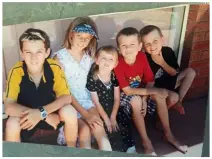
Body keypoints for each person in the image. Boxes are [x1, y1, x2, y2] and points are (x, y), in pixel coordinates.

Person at [114, 27, 188, 155]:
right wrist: (143, 98)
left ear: (139, 46)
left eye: (132, 45)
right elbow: (128, 91)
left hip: (142, 91)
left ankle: (168, 134)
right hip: (124, 95)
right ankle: (146, 142)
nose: (129, 49)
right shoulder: (118, 63)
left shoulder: (142, 57)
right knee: (137, 100)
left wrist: (145, 99)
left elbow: (149, 80)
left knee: (159, 95)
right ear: (119, 49)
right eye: (124, 45)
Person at [4, 28, 78, 147]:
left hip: (49, 112)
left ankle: (72, 150)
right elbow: (9, 107)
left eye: (39, 52)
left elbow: (66, 98)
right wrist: (44, 116)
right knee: (12, 123)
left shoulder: (54, 67)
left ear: (47, 52)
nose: (34, 57)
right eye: (28, 52)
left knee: (69, 111)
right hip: (27, 117)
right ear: (22, 53)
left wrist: (41, 113)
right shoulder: (16, 71)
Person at [51, 17, 112, 151]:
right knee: (84, 129)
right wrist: (86, 115)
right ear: (71, 34)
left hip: (87, 101)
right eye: (79, 36)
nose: (83, 41)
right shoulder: (59, 58)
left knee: (98, 127)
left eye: (87, 38)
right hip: (69, 102)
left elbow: (93, 84)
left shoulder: (89, 58)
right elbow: (63, 91)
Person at [140, 25, 196, 115]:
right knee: (174, 97)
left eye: (155, 41)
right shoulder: (144, 58)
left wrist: (161, 62)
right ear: (143, 47)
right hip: (155, 88)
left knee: (190, 72)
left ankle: (179, 102)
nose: (152, 46)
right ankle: (161, 117)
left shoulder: (167, 51)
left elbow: (174, 73)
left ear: (162, 39)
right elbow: (148, 84)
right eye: (147, 44)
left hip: (170, 82)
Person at [86, 45, 125, 151]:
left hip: (113, 108)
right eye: (103, 58)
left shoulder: (114, 76)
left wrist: (113, 117)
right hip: (99, 109)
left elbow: (117, 99)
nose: (107, 62)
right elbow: (96, 102)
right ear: (97, 60)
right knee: (106, 127)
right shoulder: (93, 78)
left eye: (111, 59)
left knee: (120, 125)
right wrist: (107, 119)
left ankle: (126, 147)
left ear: (115, 64)